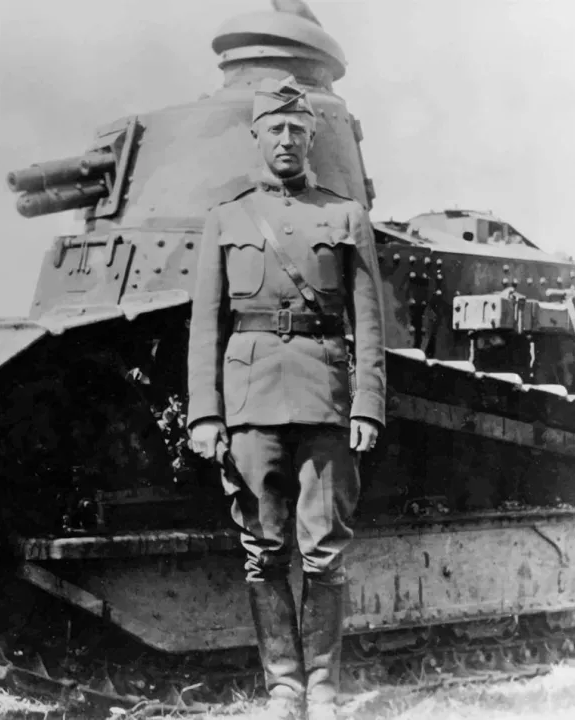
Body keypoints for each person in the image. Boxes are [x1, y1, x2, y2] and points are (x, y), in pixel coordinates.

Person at [187, 77, 386, 720]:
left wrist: (368, 404)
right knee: (263, 552)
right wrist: (206, 413)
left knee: (324, 552)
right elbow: (206, 326)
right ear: (256, 135)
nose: (286, 140)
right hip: (250, 405)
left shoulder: (345, 215)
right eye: (274, 128)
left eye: (297, 130)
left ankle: (323, 688)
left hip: (325, 398)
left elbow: (370, 322)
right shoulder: (227, 218)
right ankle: (283, 687)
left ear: (312, 139)